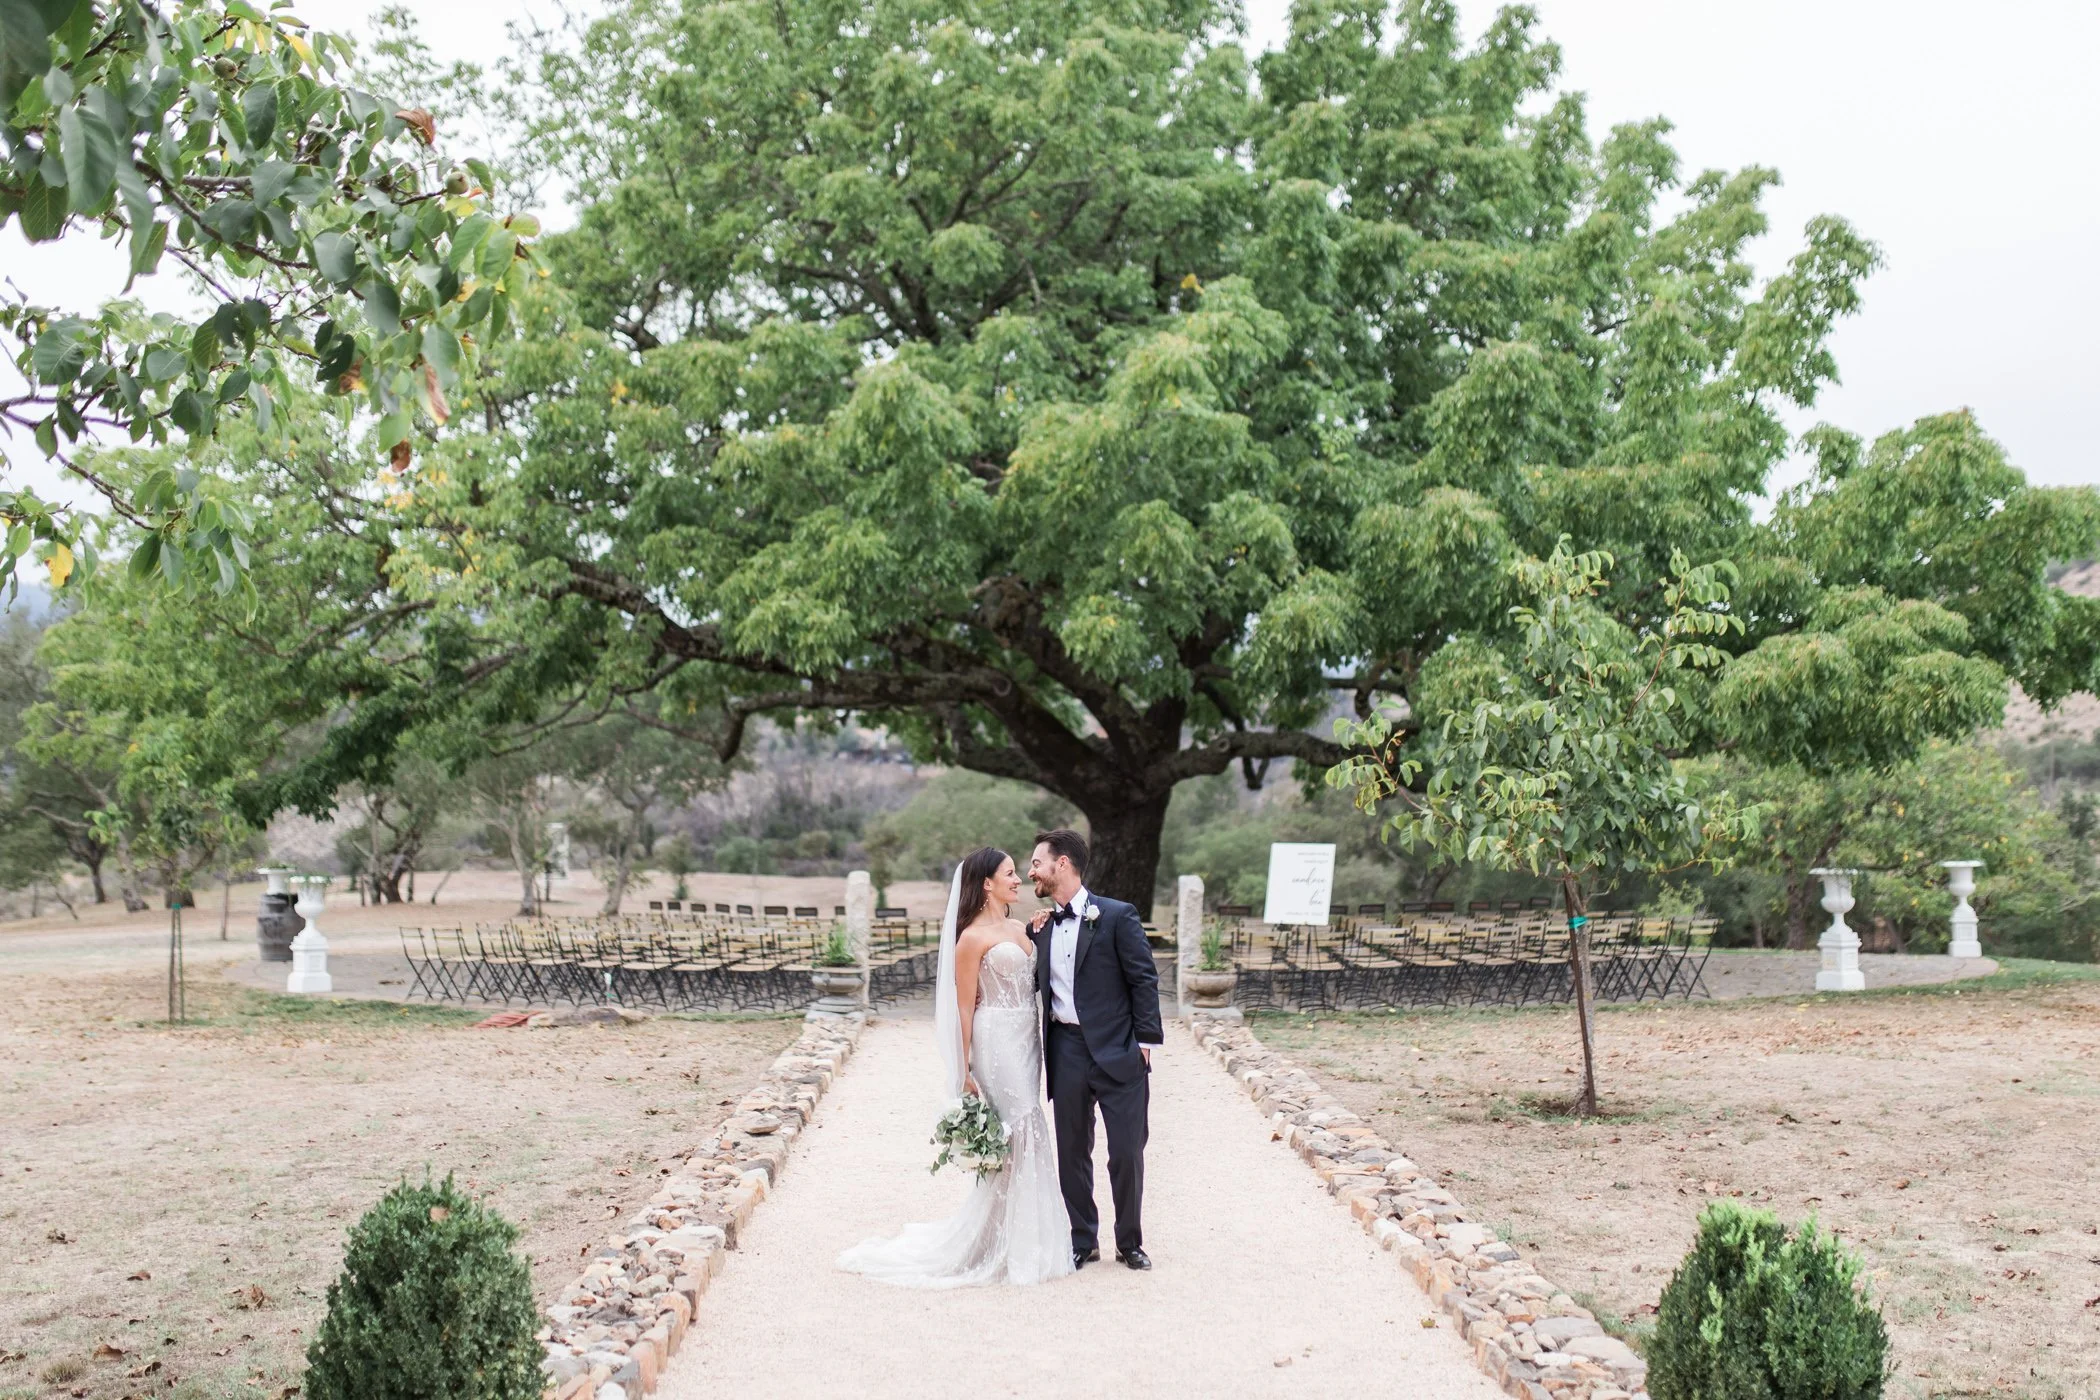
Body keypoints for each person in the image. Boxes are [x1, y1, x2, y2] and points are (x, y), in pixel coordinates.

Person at [836, 847, 1073, 1287]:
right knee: (1018, 1126)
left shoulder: (1021, 927)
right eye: (1009, 873)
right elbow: (964, 1008)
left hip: (1028, 1037)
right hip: (995, 1039)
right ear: (987, 883)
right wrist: (964, 1069)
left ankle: (1028, 1236)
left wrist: (1040, 924)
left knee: (1029, 1125)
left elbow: (1035, 968)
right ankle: (1000, 1244)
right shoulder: (971, 939)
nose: (1019, 878)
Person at [1026, 828, 1162, 1271]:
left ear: (1062, 863)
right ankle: (1083, 1239)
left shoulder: (1118, 915)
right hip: (1065, 1048)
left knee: (1127, 1150)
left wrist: (1144, 1044)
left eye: (1037, 863)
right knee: (1072, 1150)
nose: (1032, 872)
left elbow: (1144, 979)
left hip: (1120, 1050)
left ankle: (1130, 1241)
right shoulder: (1039, 926)